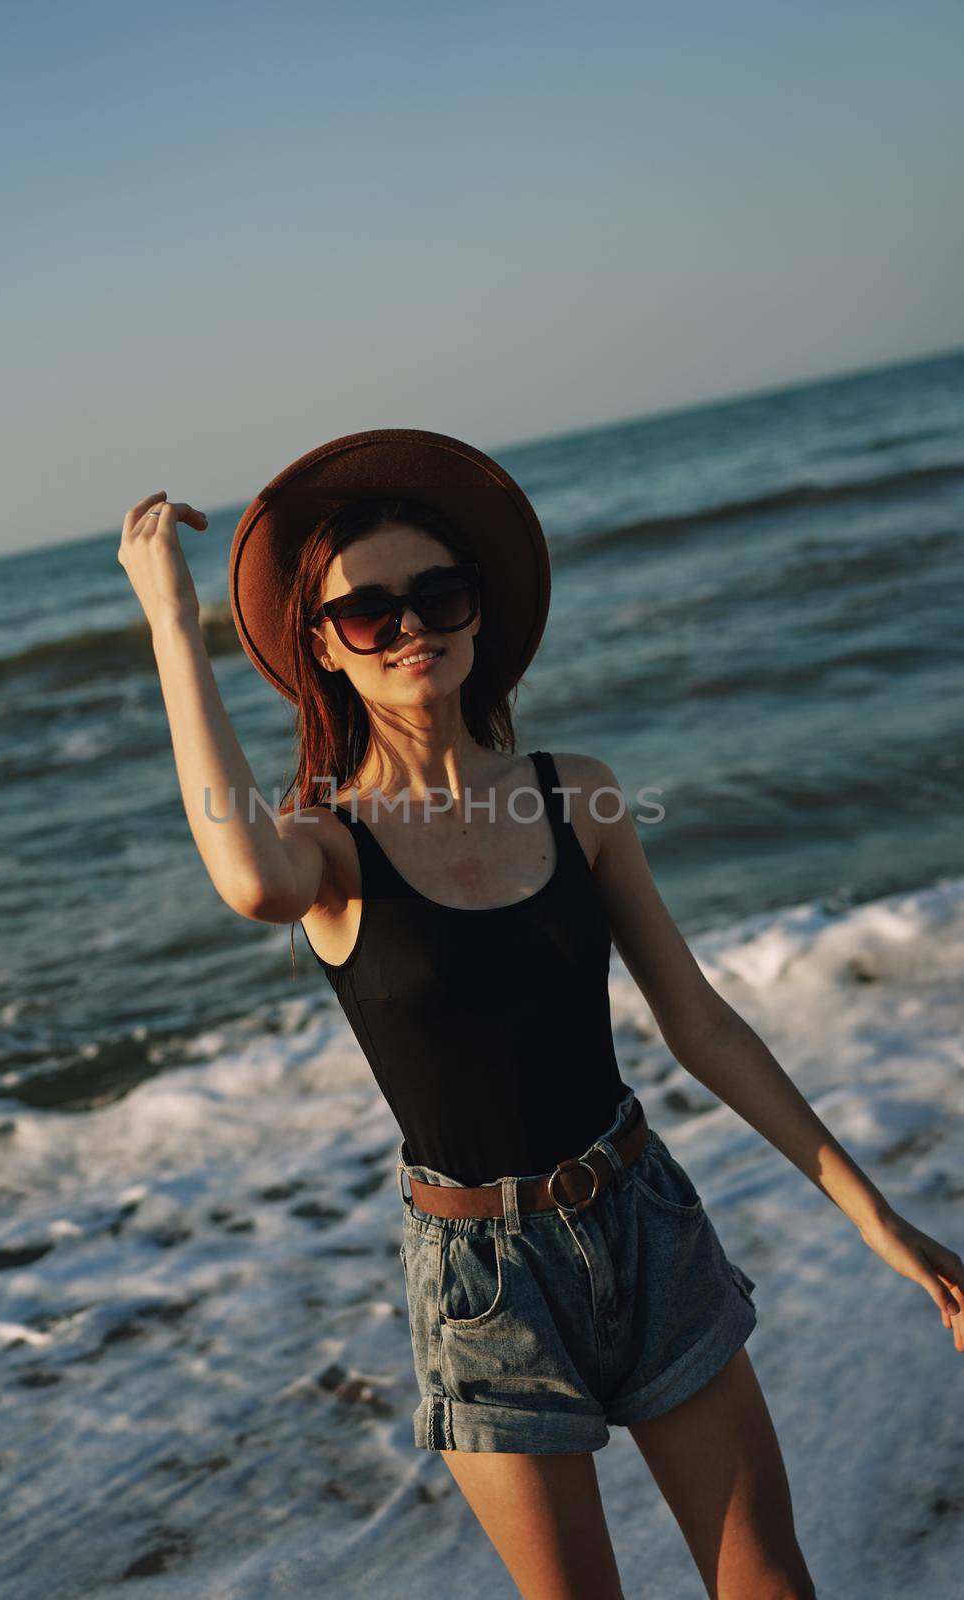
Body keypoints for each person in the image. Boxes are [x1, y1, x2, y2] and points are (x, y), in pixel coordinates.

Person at [118, 430, 962, 1600]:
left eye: (436, 594)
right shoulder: (325, 849)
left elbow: (700, 1023)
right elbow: (247, 882)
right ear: (324, 649)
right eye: (367, 613)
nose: (410, 625)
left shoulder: (582, 795)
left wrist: (870, 1213)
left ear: (475, 615)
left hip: (645, 1222)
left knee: (771, 1583)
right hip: (481, 1279)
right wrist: (172, 617)